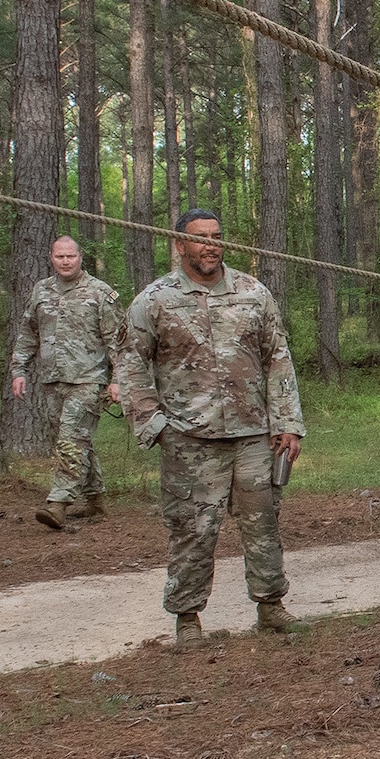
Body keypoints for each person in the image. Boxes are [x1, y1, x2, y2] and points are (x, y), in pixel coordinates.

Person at [115, 210, 305, 651]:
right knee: (194, 529)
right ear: (179, 245)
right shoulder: (155, 300)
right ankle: (188, 618)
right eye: (199, 238)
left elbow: (278, 356)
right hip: (189, 439)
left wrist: (288, 423)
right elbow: (130, 366)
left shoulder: (253, 292)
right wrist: (155, 425)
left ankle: (270, 607)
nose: (210, 245)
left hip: (254, 435)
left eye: (217, 237)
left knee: (263, 523)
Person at [9, 236, 124, 530]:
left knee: (71, 441)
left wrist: (119, 379)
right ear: (51, 257)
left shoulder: (100, 293)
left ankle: (58, 504)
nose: (65, 261)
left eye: (70, 256)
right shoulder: (41, 291)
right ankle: (96, 500)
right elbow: (27, 332)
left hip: (88, 380)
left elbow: (118, 341)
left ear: (80, 256)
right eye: (60, 256)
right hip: (52, 379)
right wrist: (19, 369)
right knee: (75, 440)